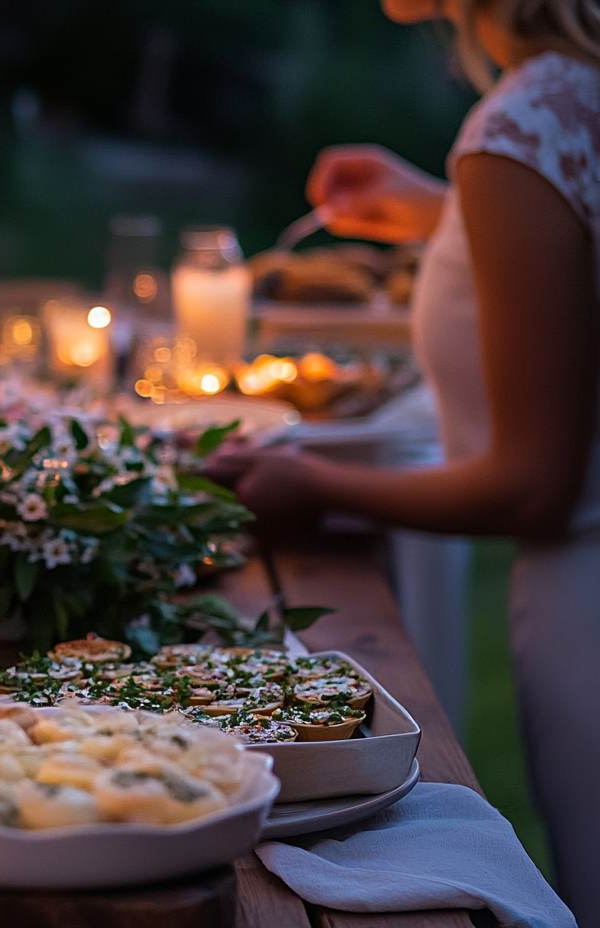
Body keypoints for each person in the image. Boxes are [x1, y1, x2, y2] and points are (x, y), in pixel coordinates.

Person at [221, 1, 600, 922]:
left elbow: (536, 486)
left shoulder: (518, 131)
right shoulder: (564, 104)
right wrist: (448, 213)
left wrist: (313, 482)